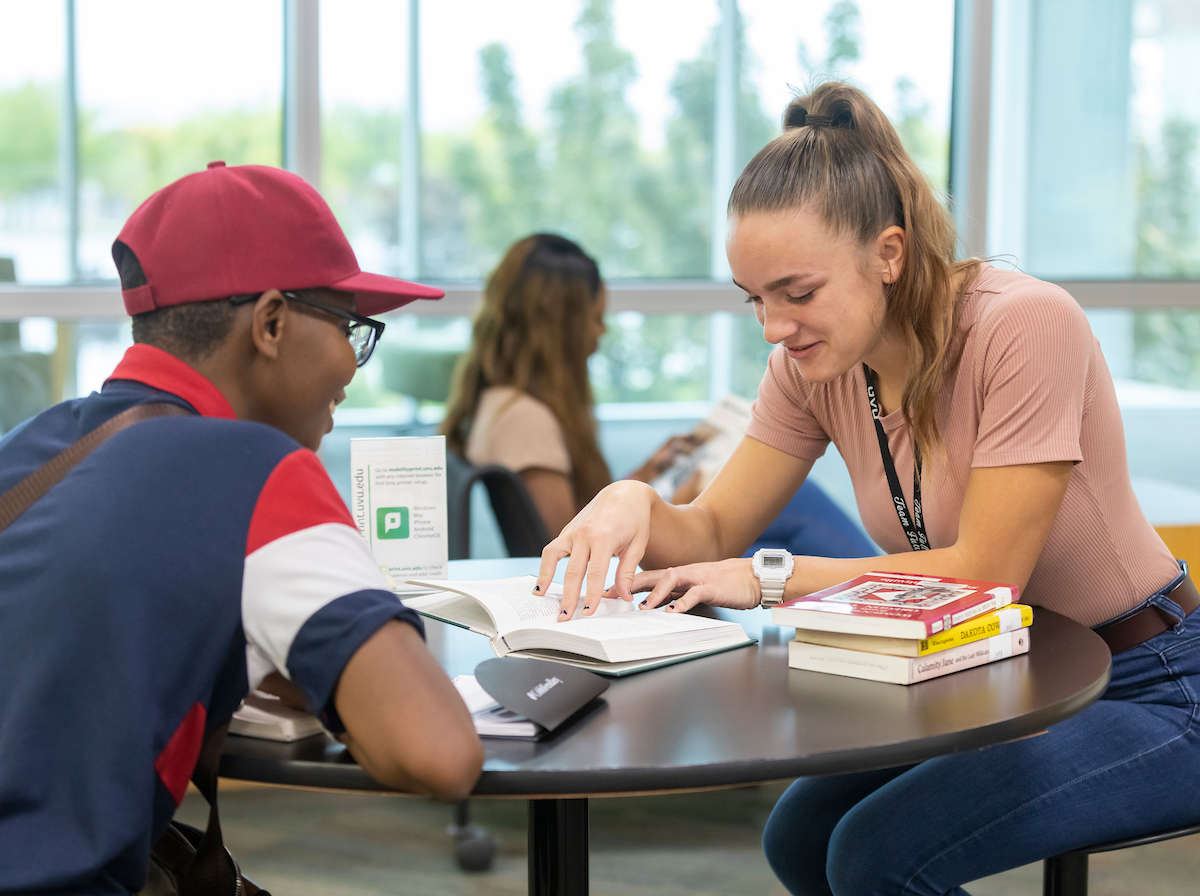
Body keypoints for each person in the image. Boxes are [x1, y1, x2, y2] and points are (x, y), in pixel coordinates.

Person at [534, 82, 1200, 895]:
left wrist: (764, 577)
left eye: (798, 293)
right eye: (757, 300)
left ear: (889, 254)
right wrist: (631, 501)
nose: (775, 328)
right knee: (800, 837)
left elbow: (984, 573)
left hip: (1152, 680)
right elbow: (710, 530)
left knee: (877, 858)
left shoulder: (1025, 324)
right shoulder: (811, 368)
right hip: (1000, 674)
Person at [0, 162, 484, 895]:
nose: (353, 366)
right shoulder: (256, 469)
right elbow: (440, 753)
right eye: (351, 326)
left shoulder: (27, 446)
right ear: (271, 323)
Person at [442, 232, 875, 559]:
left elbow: (584, 512)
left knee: (781, 520)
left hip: (620, 557)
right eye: (594, 318)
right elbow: (569, 542)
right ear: (563, 326)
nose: (601, 331)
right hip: (612, 572)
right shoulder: (525, 420)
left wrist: (648, 472)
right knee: (796, 502)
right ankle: (891, 593)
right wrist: (679, 510)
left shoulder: (498, 403)